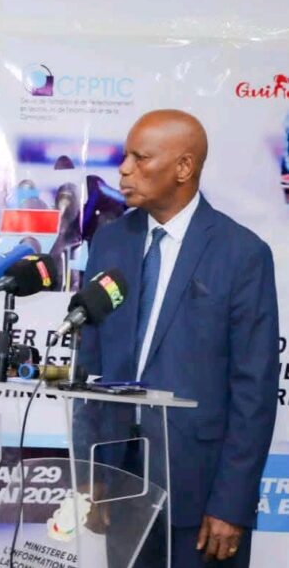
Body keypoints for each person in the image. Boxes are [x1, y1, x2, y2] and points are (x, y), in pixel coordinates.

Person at [79, 110, 279, 567]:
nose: (123, 170)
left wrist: (231, 504)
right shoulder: (110, 242)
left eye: (140, 158)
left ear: (184, 167)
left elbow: (254, 390)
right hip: (121, 482)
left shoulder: (242, 254)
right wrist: (92, 474)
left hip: (203, 494)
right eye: (125, 157)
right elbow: (88, 365)